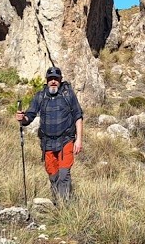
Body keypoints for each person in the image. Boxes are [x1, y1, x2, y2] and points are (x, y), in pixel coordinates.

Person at [16, 65, 84, 201]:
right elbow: (30, 115)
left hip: (66, 140)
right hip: (47, 143)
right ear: (47, 80)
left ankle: (64, 207)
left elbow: (78, 116)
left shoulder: (68, 94)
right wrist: (22, 118)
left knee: (64, 174)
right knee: (53, 174)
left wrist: (79, 140)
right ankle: (56, 200)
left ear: (60, 80)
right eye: (51, 79)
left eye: (56, 79)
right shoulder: (40, 96)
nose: (53, 81)